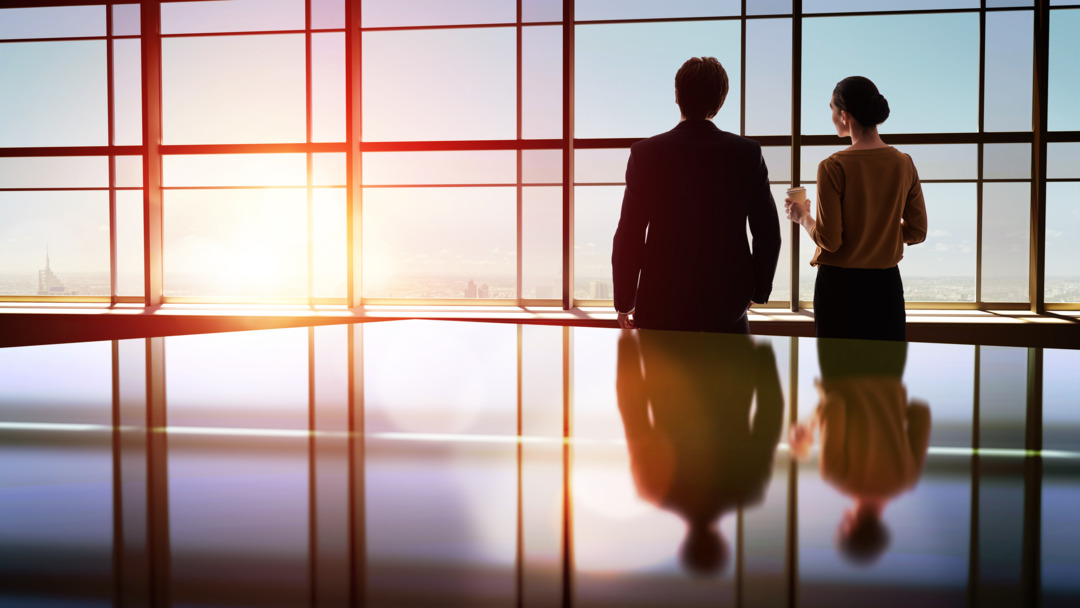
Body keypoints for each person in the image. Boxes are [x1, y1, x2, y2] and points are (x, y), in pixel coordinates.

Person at [612, 57, 781, 333]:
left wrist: (624, 300)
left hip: (660, 304)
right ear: (720, 100)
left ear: (677, 96)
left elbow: (629, 233)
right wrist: (759, 290)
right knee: (729, 364)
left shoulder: (646, 154)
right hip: (727, 306)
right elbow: (767, 232)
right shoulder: (746, 153)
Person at [616, 329, 783, 575]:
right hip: (664, 348)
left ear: (720, 541)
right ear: (686, 543)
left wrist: (765, 357)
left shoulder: (748, 488)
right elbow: (633, 410)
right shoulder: (652, 488)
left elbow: (770, 415)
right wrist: (627, 347)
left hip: (729, 353)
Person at [785, 76, 927, 341]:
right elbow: (918, 231)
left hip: (839, 289)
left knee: (838, 366)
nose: (831, 116)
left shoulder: (833, 166)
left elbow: (830, 241)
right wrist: (879, 232)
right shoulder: (904, 163)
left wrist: (803, 216)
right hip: (886, 287)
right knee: (886, 365)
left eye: (831, 109)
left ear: (844, 115)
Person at [789, 338, 931, 565]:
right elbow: (834, 405)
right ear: (850, 528)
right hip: (841, 366)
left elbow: (921, 413)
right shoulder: (835, 477)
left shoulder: (907, 480)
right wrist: (810, 426)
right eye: (840, 527)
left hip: (889, 366)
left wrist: (887, 406)